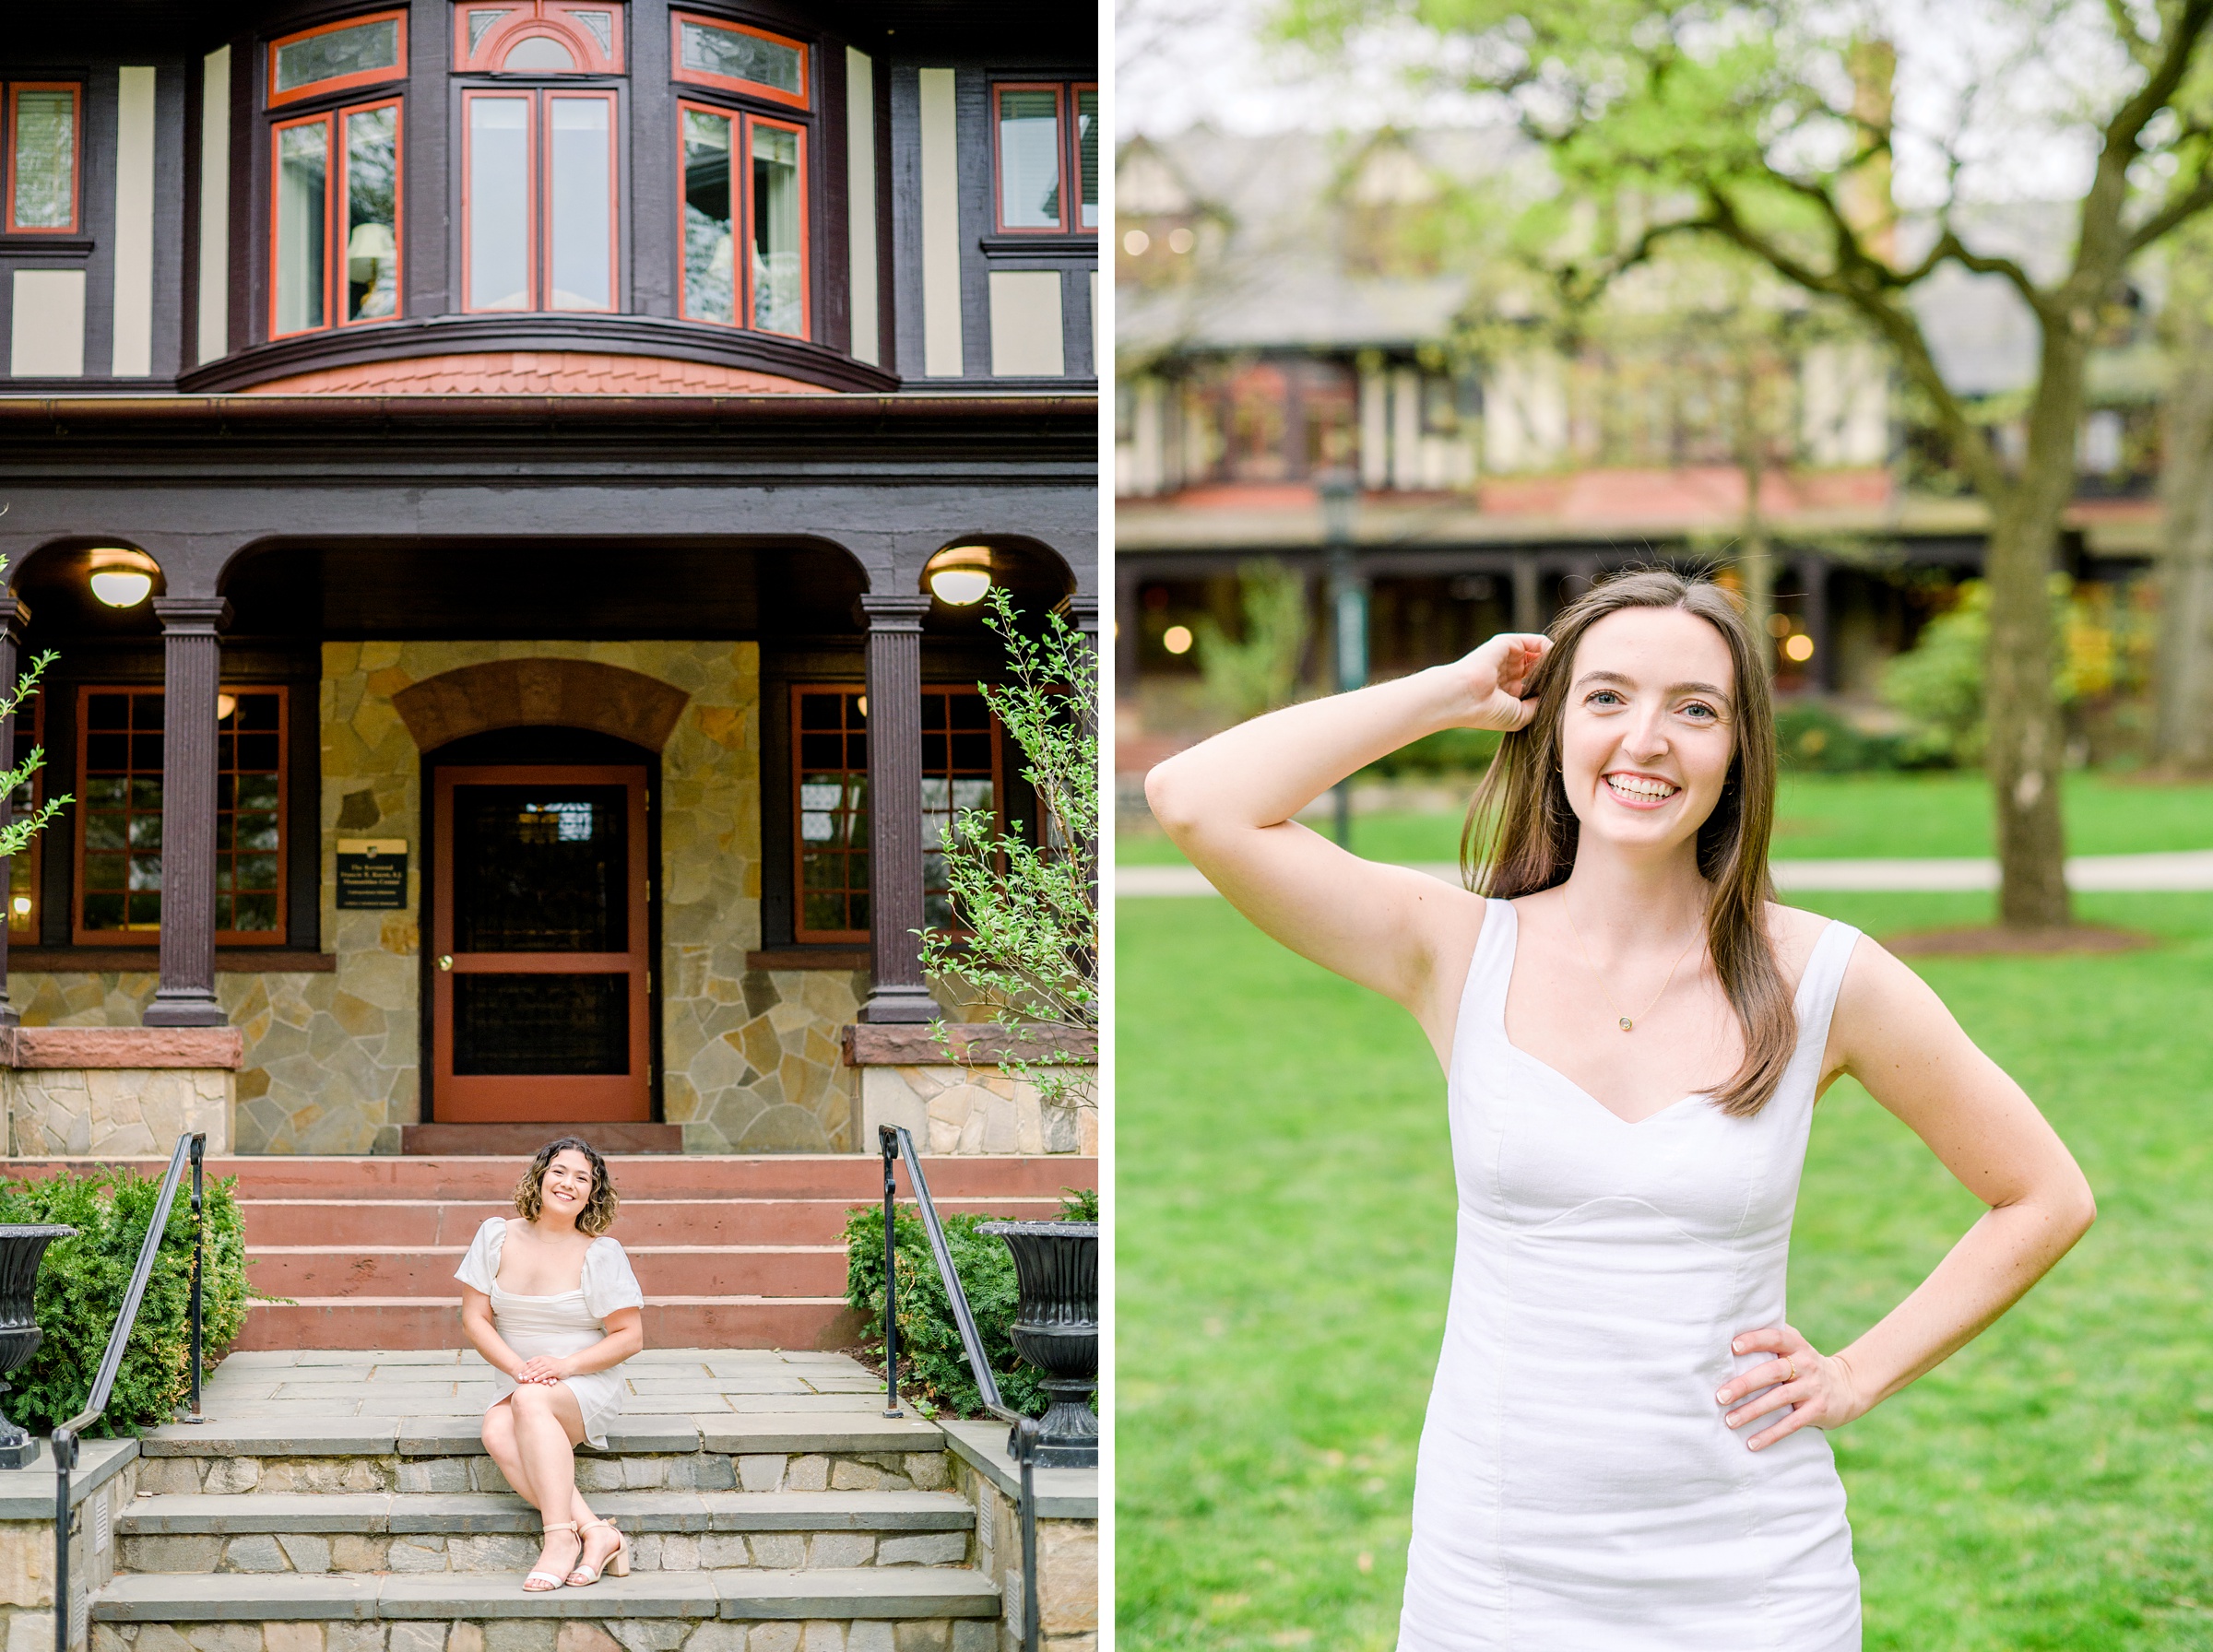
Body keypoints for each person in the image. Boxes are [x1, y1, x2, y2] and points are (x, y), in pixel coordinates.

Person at [1144, 567, 2095, 1649]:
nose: (1647, 738)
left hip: (1752, 1574)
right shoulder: (1454, 948)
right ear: (1552, 727)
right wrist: (1451, 693)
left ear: (1739, 751)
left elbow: (2042, 1194)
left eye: (1696, 708)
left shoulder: (1827, 975)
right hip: (1496, 1571)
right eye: (1606, 697)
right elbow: (1194, 797)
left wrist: (1853, 1375)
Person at [456, 1136, 646, 1592]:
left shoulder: (601, 1253)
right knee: (496, 1429)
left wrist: (564, 1366)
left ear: (592, 1194)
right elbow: (474, 1319)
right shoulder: (495, 1235)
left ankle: (559, 1538)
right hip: (524, 1382)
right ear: (540, 1177)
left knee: (530, 1401)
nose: (568, 1183)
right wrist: (522, 1371)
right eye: (559, 1171)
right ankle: (597, 1532)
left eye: (583, 1178)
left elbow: (631, 1337)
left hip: (582, 1383)